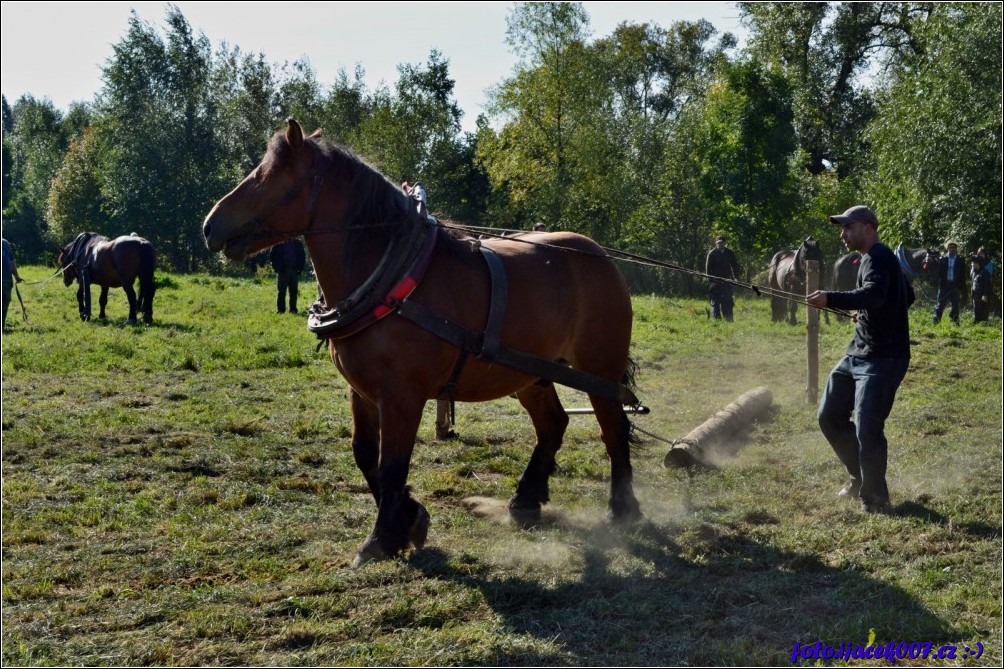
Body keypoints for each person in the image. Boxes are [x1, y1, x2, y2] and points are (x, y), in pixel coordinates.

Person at [807, 205, 914, 514]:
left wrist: (832, 298)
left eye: (848, 227)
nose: (843, 234)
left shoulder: (880, 257)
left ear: (868, 228)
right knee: (829, 415)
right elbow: (905, 297)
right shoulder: (873, 259)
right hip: (857, 352)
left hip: (884, 358)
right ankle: (858, 478)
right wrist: (870, 311)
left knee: (868, 428)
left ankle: (876, 498)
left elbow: (875, 294)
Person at [705, 234, 740, 321]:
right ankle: (717, 320)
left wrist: (736, 277)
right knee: (715, 302)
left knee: (727, 301)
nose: (720, 244)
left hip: (727, 281)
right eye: (718, 243)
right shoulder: (712, 253)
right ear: (716, 243)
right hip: (715, 281)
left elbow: (734, 266)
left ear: (725, 243)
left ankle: (729, 319)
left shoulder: (730, 253)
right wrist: (711, 281)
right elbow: (708, 269)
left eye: (721, 243)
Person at [933, 240, 966, 325]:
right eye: (950, 247)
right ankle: (936, 322)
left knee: (955, 306)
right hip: (944, 285)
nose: (951, 249)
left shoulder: (960, 260)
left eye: (953, 247)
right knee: (940, 305)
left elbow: (962, 275)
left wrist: (960, 287)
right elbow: (937, 272)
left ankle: (955, 323)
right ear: (947, 248)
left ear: (956, 248)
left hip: (954, 286)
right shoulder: (942, 259)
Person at [269, 238, 306, 314]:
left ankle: (293, 310)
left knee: (293, 292)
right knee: (281, 292)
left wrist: (300, 268)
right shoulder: (278, 243)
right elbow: (272, 256)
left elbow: (302, 256)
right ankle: (281, 310)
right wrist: (277, 268)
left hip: (294, 270)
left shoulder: (298, 243)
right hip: (283, 271)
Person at [2, 237, 24, 328]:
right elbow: (12, 262)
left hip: (6, 280)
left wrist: (16, 276)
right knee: (4, 302)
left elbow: (11, 262)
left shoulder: (5, 243)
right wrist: (16, 276)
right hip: (6, 280)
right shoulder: (5, 243)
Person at [971, 256, 993, 323]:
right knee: (976, 312)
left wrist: (985, 295)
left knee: (983, 313)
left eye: (973, 263)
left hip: (982, 296)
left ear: (977, 263)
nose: (972, 264)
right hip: (976, 296)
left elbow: (987, 285)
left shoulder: (984, 272)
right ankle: (976, 326)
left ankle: (983, 327)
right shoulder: (975, 272)